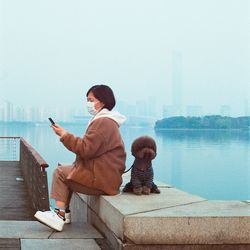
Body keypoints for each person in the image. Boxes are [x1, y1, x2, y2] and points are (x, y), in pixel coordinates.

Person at [35, 85, 126, 231]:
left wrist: (64, 135)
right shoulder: (106, 121)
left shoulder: (103, 122)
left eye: (91, 100)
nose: (88, 104)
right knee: (68, 171)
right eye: (87, 100)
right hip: (107, 177)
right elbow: (91, 149)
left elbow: (85, 149)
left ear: (102, 102)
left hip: (103, 179)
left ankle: (59, 215)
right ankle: (65, 214)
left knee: (60, 173)